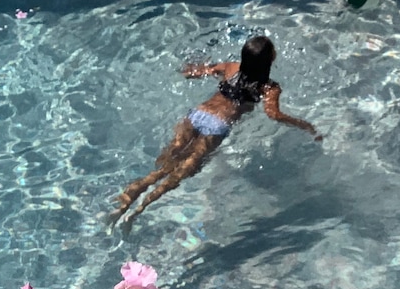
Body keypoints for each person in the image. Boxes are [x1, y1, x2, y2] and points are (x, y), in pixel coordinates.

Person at [110, 36, 321, 226]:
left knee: (165, 165)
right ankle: (137, 212)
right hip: (217, 125)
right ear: (270, 59)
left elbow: (196, 72)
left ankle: (122, 204)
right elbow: (274, 114)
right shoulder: (269, 87)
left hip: (197, 114)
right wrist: (305, 125)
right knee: (180, 172)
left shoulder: (231, 67)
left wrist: (191, 66)